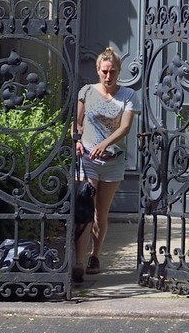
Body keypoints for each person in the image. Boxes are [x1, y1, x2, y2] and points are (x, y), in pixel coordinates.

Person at [73, 46, 136, 280]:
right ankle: (79, 263)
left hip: (112, 161)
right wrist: (77, 141)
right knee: (84, 210)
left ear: (119, 71)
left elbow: (125, 127)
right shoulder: (87, 92)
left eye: (113, 72)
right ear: (97, 70)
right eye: (105, 71)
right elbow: (77, 122)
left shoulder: (128, 95)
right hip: (88, 159)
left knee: (101, 214)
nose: (108, 76)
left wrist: (105, 143)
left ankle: (95, 255)